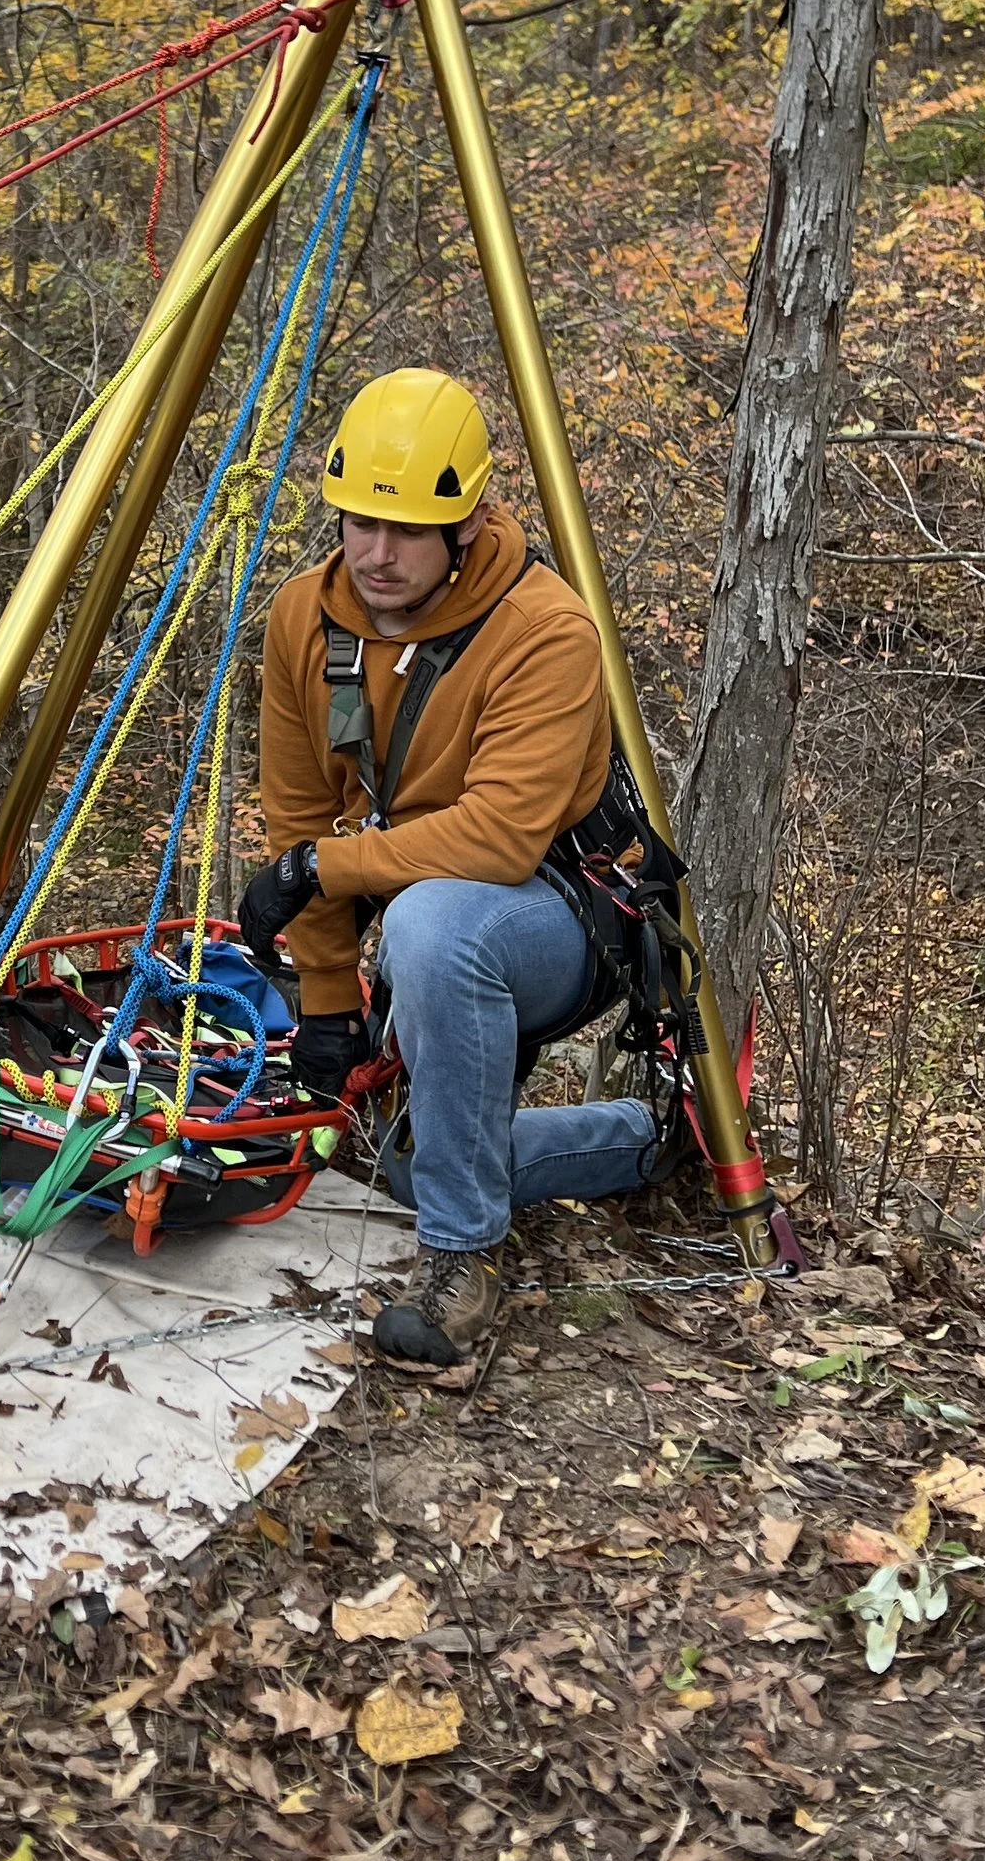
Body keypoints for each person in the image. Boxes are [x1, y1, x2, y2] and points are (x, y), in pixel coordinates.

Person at [237, 369, 665, 1363]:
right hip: (417, 891)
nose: (377, 554)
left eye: (408, 530)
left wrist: (318, 869)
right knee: (393, 1161)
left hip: (559, 912)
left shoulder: (542, 628)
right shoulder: (307, 617)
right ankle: (631, 1138)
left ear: (466, 523)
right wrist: (328, 1003)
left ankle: (461, 1256)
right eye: (358, 523)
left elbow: (497, 839)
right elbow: (300, 810)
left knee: (434, 925)